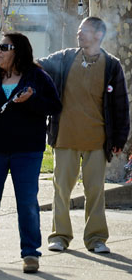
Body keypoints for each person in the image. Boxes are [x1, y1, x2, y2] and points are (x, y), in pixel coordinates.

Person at [0, 33, 61, 274]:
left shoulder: (37, 77)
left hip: (26, 151)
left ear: (19, 51)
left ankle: (30, 254)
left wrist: (32, 99)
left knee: (27, 202)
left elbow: (54, 106)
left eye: (5, 47)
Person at [38, 16, 129, 254]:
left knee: (95, 191)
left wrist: (119, 139)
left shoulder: (111, 65)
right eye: (79, 30)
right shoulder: (65, 58)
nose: (79, 34)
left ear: (98, 35)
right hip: (65, 137)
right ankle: (59, 236)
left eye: (85, 31)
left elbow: (121, 105)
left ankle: (96, 239)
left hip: (97, 140)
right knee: (61, 190)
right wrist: (17, 51)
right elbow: (39, 65)